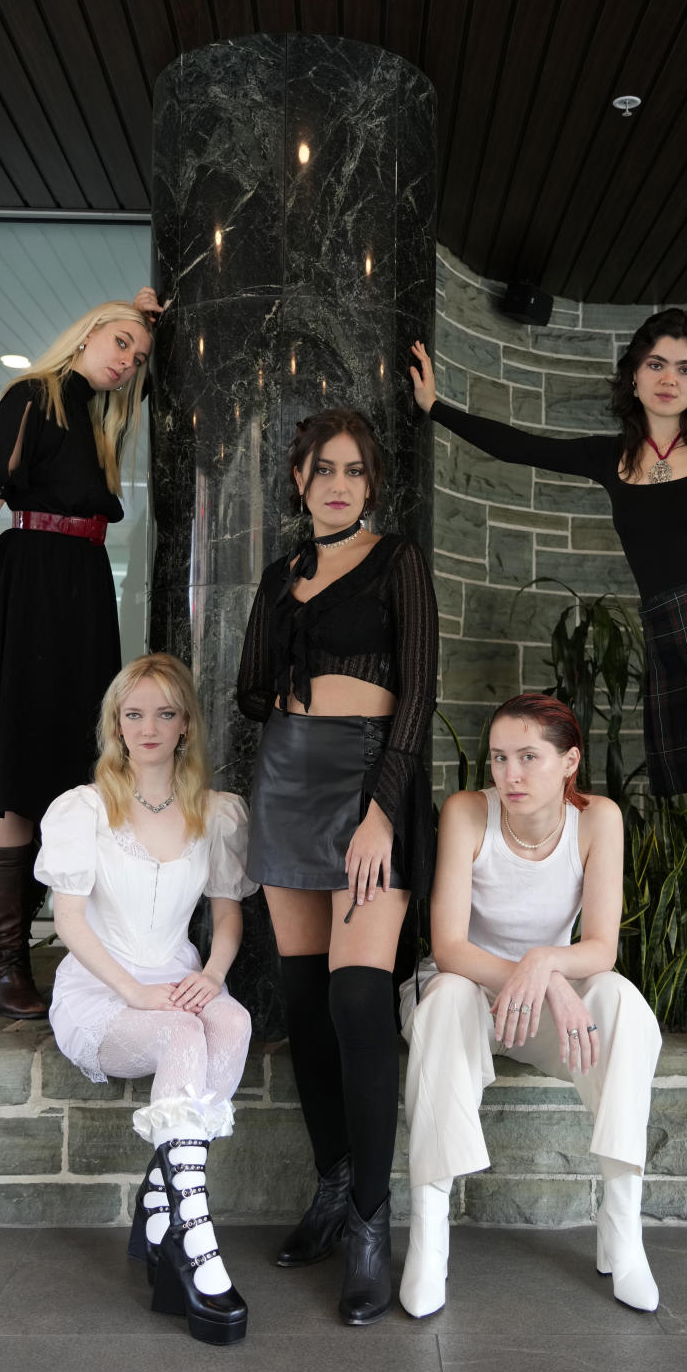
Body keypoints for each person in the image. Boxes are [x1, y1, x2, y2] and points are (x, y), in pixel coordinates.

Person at [410, 315, 687, 1103]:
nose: (669, 377)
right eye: (655, 363)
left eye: (683, 365)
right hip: (680, 646)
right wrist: (439, 408)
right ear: (634, 375)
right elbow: (520, 445)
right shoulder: (613, 460)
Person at [236, 408, 438, 1325]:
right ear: (298, 480)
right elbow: (247, 686)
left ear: (372, 483)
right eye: (323, 469)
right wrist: (285, 658)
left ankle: (369, 1221)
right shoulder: (282, 576)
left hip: (366, 781)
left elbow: (418, 694)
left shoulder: (399, 561)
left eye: (354, 470)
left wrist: (382, 808)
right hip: (284, 776)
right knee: (307, 999)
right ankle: (330, 1185)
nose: (338, 483)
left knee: (360, 997)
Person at [399, 694, 662, 1318]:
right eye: (498, 758)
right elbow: (450, 946)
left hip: (548, 1004)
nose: (508, 774)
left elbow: (600, 946)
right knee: (444, 1004)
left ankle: (622, 1232)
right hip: (468, 991)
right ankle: (429, 1237)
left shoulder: (599, 819)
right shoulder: (467, 812)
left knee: (624, 1003)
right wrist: (536, 974)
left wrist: (547, 966)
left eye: (527, 757)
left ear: (569, 761)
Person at [0, 290, 159, 1019]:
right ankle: (5, 959)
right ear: (89, 331)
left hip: (86, 592)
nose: (128, 361)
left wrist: (152, 317)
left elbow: (150, 354)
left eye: (138, 355)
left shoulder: (98, 420)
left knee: (74, 777)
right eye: (121, 342)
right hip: (30, 585)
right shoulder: (33, 396)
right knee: (16, 775)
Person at [35, 653, 256, 1346]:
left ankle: (162, 1198)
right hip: (102, 986)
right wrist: (135, 992)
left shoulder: (214, 812)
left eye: (164, 713)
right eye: (134, 714)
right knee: (181, 1036)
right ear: (117, 725)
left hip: (178, 969)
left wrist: (215, 974)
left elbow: (226, 916)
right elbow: (69, 921)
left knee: (233, 1020)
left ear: (186, 724)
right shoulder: (84, 808)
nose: (149, 726)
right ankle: (194, 1235)